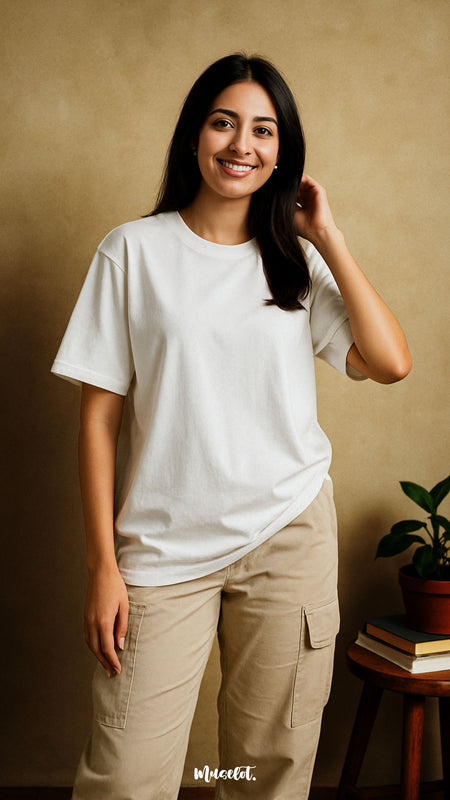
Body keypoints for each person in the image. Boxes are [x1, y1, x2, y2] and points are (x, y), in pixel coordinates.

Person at [52, 53, 411, 800]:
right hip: (161, 547)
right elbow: (98, 421)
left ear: (283, 151)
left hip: (287, 534)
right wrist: (102, 567)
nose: (241, 144)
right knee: (126, 778)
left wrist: (329, 237)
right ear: (194, 135)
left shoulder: (294, 261)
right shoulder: (132, 251)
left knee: (266, 771)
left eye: (263, 130)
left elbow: (390, 362)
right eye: (224, 123)